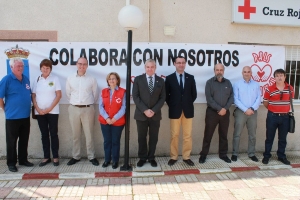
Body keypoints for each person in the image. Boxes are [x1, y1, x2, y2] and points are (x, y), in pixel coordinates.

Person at [0, 58, 33, 172]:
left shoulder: (26, 79)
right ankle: (11, 163)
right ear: (12, 67)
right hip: (12, 117)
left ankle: (23, 160)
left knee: (24, 139)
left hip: (25, 116)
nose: (20, 68)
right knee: (12, 141)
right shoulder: (7, 79)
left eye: (22, 66)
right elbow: (0, 97)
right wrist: (5, 109)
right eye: (18, 66)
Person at [66, 57, 99, 166]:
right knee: (76, 134)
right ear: (76, 64)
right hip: (74, 109)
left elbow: (95, 95)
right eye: (80, 64)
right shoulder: (70, 78)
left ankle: (91, 156)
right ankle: (76, 156)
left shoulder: (92, 79)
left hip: (88, 109)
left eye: (84, 64)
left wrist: (87, 104)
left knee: (89, 134)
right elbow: (68, 94)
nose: (82, 66)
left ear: (87, 66)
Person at [132, 59, 166, 167]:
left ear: (155, 68)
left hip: (155, 115)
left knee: (153, 137)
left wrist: (154, 110)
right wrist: (145, 110)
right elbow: (136, 97)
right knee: (141, 137)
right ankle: (142, 158)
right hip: (141, 114)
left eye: (152, 67)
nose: (150, 69)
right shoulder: (138, 79)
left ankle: (151, 157)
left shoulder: (160, 81)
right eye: (148, 67)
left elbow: (163, 98)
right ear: (145, 68)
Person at [165, 56, 197, 166]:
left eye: (183, 62)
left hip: (188, 111)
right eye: (178, 62)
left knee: (187, 135)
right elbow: (166, 95)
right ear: (174, 63)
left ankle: (186, 157)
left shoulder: (190, 77)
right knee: (174, 135)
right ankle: (174, 156)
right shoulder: (169, 79)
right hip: (175, 111)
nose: (181, 64)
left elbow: (194, 95)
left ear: (185, 64)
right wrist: (174, 105)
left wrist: (185, 104)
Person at [199, 63, 234, 164]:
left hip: (225, 113)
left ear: (223, 71)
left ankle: (223, 154)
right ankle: (203, 155)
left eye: (221, 70)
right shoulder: (209, 83)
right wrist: (220, 109)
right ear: (214, 71)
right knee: (208, 135)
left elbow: (231, 97)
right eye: (217, 70)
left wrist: (225, 108)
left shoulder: (228, 83)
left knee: (223, 135)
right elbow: (209, 99)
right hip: (212, 113)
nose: (219, 72)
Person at [32, 59, 62, 167]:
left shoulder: (55, 79)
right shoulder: (37, 79)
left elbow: (58, 95)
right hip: (40, 112)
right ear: (40, 68)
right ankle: (46, 157)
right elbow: (33, 95)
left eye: (47, 68)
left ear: (50, 69)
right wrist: (38, 108)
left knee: (53, 134)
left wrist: (49, 109)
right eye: (43, 68)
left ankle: (55, 157)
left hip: (53, 112)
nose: (45, 70)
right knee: (44, 134)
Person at [262, 69, 294, 165]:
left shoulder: (290, 88)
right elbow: (265, 102)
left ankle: (281, 156)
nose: (279, 77)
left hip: (285, 117)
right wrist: (274, 110)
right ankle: (266, 156)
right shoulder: (269, 88)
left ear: (285, 77)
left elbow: (290, 101)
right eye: (277, 75)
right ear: (274, 78)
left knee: (283, 138)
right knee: (269, 138)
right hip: (272, 116)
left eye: (281, 75)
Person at [231, 66, 260, 162]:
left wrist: (251, 108)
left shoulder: (256, 85)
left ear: (251, 73)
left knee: (253, 134)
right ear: (242, 73)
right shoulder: (237, 84)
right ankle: (235, 153)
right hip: (240, 111)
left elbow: (258, 99)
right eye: (245, 72)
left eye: (248, 72)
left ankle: (251, 153)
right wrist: (245, 109)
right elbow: (236, 99)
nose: (246, 73)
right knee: (237, 134)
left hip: (253, 112)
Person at [99, 72, 126, 169]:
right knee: (107, 141)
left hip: (117, 122)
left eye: (113, 78)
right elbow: (101, 106)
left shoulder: (123, 91)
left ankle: (115, 160)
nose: (111, 80)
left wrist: (114, 118)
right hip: (105, 121)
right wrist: (107, 118)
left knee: (115, 141)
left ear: (117, 80)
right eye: (109, 79)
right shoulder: (104, 91)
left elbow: (124, 107)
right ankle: (107, 160)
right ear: (107, 81)